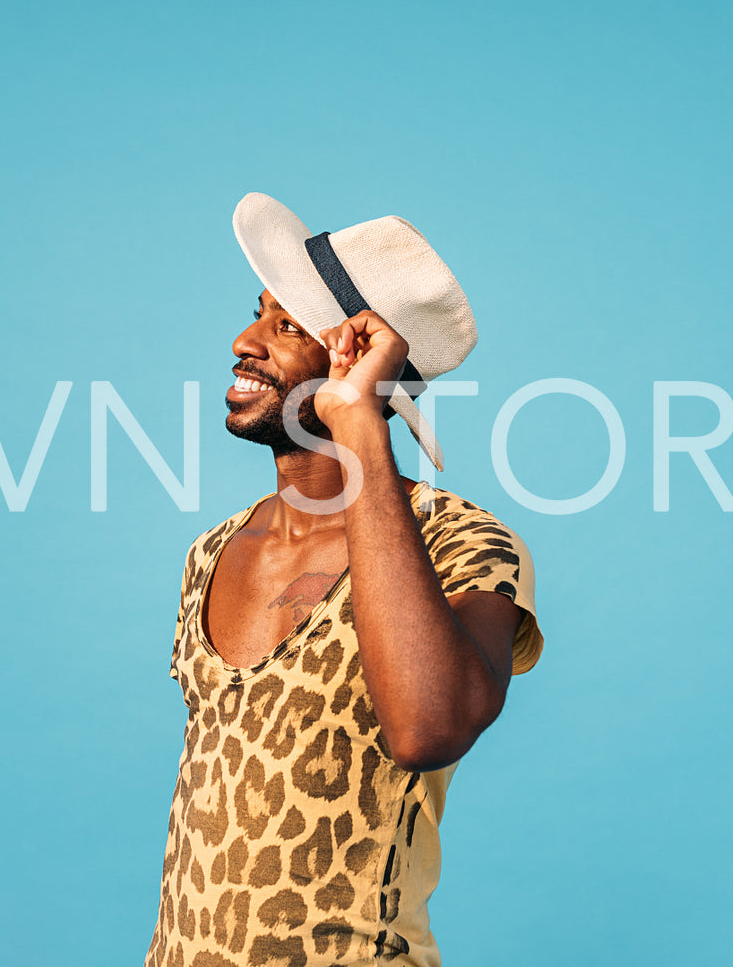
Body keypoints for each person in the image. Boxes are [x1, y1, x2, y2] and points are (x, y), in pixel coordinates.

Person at [145, 193, 543, 967]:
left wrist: (357, 418)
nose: (243, 340)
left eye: (287, 325)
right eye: (256, 313)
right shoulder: (212, 550)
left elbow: (427, 729)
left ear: (366, 359)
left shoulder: (463, 544)